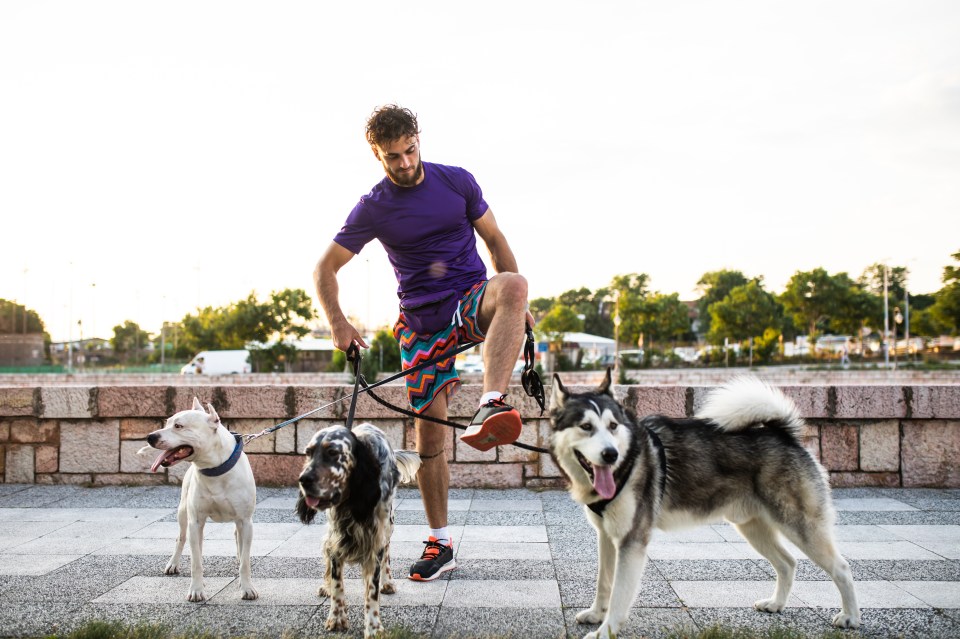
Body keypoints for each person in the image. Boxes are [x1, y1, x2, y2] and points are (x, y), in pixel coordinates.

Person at [313, 104, 533, 582]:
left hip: (470, 300)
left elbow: (495, 241)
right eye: (393, 157)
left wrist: (512, 302)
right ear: (378, 156)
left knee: (515, 285)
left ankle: (491, 404)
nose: (405, 163)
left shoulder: (457, 182)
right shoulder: (373, 207)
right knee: (429, 439)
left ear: (419, 139)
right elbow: (325, 267)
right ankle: (441, 543)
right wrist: (338, 322)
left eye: (410, 150)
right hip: (422, 324)